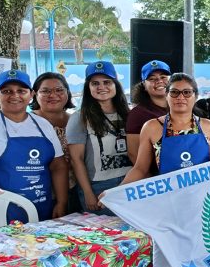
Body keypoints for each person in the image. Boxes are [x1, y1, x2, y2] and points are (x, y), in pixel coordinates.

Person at [118, 73, 210, 267]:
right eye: (175, 93)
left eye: (187, 93)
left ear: (195, 96)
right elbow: (141, 168)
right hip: (170, 209)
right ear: (166, 96)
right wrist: (118, 193)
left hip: (203, 209)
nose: (180, 98)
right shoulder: (152, 127)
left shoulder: (208, 126)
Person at [0, 70, 68, 221]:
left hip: (41, 209)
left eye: (21, 91)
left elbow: (58, 166)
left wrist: (62, 202)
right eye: (7, 91)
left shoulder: (44, 125)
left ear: (31, 95)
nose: (15, 96)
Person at [67, 61, 133, 214]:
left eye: (107, 82)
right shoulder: (79, 118)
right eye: (95, 83)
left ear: (116, 84)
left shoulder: (129, 115)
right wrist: (88, 193)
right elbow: (76, 159)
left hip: (129, 182)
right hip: (98, 186)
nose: (101, 87)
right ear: (88, 87)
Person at [30, 72, 77, 213]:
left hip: (75, 190)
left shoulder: (77, 121)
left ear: (67, 93)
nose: (53, 95)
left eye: (59, 90)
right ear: (35, 94)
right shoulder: (28, 122)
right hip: (40, 193)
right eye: (45, 91)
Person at [126, 60, 170, 164]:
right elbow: (134, 155)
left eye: (163, 77)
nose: (159, 81)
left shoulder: (184, 107)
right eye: (152, 79)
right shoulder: (137, 114)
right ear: (144, 85)